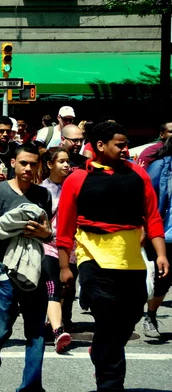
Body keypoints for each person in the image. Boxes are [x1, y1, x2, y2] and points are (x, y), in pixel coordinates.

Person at [58, 121, 169, 391]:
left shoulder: (138, 175)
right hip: (93, 258)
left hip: (132, 259)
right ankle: (110, 384)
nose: (125, 149)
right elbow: (65, 226)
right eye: (120, 144)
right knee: (107, 321)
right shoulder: (77, 178)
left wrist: (162, 254)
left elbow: (153, 217)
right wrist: (64, 267)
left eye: (125, 143)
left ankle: (100, 352)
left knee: (128, 320)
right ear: (100, 146)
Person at [0, 143, 53, 392]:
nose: (29, 168)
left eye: (33, 164)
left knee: (36, 333)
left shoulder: (43, 195)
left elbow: (48, 231)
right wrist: (6, 225)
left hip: (33, 268)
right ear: (13, 164)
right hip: (2, 269)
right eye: (24, 163)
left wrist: (44, 233)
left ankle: (30, 388)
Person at [39, 147, 73, 353]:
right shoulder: (43, 190)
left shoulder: (75, 185)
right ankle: (58, 330)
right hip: (48, 246)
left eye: (67, 161)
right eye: (61, 161)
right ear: (50, 164)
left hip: (72, 247)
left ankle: (51, 325)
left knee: (66, 290)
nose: (66, 165)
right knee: (52, 286)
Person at [143, 138, 172, 338]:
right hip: (166, 235)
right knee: (163, 281)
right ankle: (150, 315)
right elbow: (146, 201)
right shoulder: (161, 167)